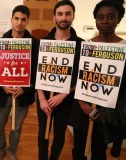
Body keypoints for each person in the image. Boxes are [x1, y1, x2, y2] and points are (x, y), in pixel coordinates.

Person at [74, 0, 125, 159]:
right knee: (79, 149)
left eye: (111, 17)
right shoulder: (86, 46)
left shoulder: (123, 48)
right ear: (95, 19)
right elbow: (78, 79)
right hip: (84, 109)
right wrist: (85, 107)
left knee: (98, 152)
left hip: (108, 114)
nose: (105, 21)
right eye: (100, 17)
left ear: (119, 19)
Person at [36, 1, 83, 160]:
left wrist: (62, 95)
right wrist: (42, 98)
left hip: (66, 98)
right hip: (44, 97)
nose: (64, 17)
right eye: (60, 14)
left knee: (59, 133)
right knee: (43, 133)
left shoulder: (81, 45)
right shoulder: (43, 42)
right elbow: (37, 72)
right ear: (54, 17)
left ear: (73, 16)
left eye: (68, 14)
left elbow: (80, 76)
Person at [0, 5, 39, 160]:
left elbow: (38, 71)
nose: (19, 22)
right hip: (3, 93)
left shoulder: (36, 44)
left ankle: (12, 150)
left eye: (23, 19)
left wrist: (25, 88)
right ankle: (1, 149)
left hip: (23, 94)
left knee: (16, 127)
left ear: (27, 21)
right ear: (11, 20)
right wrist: (2, 85)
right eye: (16, 18)